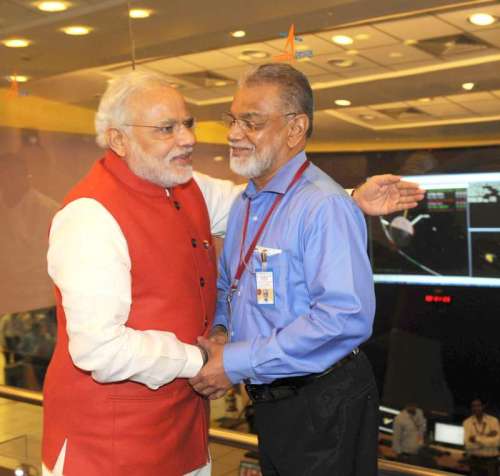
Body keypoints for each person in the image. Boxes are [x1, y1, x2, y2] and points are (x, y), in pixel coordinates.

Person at [42, 70, 423, 476]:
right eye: (166, 129)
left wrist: (345, 199)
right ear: (119, 139)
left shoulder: (189, 186)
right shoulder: (89, 217)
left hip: (208, 422)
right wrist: (208, 356)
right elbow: (98, 349)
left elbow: (288, 201)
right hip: (109, 444)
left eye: (187, 124)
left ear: (295, 129)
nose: (188, 139)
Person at [190, 63, 382, 476]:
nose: (233, 134)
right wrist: (223, 333)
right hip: (273, 402)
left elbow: (343, 318)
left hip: (325, 404)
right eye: (232, 120)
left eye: (251, 123)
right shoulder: (245, 203)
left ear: (296, 130)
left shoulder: (324, 206)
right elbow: (231, 284)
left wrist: (236, 361)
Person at [463, 398, 500, 476]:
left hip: (491, 461)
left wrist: (476, 439)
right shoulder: (467, 422)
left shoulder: (493, 421)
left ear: (483, 406)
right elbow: (468, 445)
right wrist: (487, 437)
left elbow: (496, 443)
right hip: (474, 460)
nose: (476, 408)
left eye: (478, 405)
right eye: (473, 406)